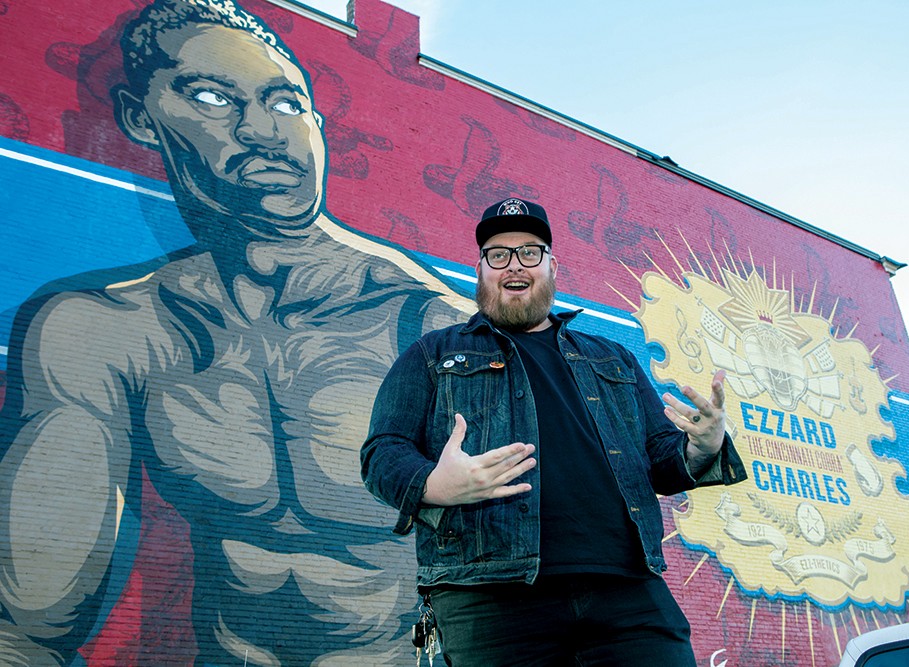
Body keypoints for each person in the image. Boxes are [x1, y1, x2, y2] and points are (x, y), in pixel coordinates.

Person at [0, 0, 469, 664]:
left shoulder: (433, 334)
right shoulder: (110, 331)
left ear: (317, 124)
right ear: (141, 115)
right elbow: (30, 622)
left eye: (285, 103)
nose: (263, 131)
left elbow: (533, 579)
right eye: (215, 97)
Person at [361, 197, 748, 666]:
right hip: (490, 598)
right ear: (481, 269)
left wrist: (701, 447)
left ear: (552, 266)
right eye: (498, 254)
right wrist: (434, 485)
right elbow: (382, 452)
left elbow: (661, 463)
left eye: (530, 252)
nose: (513, 265)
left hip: (629, 592)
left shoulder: (612, 359)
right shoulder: (431, 354)